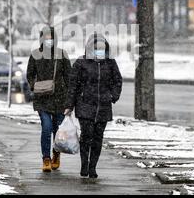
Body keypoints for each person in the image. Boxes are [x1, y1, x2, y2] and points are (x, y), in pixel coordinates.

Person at [65, 33, 122, 178]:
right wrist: (69, 106)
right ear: (90, 48)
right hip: (85, 106)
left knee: (98, 137)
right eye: (97, 48)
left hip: (103, 107)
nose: (99, 51)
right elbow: (73, 86)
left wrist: (112, 96)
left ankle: (93, 167)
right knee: (86, 135)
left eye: (102, 48)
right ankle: (84, 164)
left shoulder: (110, 63)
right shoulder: (81, 63)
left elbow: (117, 81)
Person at [27, 26, 71, 172]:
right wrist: (35, 86)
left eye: (51, 38)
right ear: (41, 39)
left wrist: (70, 99)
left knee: (58, 130)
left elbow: (68, 77)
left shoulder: (61, 54)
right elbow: (30, 74)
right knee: (46, 128)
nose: (48, 41)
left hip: (60, 98)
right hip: (42, 99)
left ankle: (56, 154)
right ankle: (46, 158)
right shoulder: (35, 55)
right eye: (46, 38)